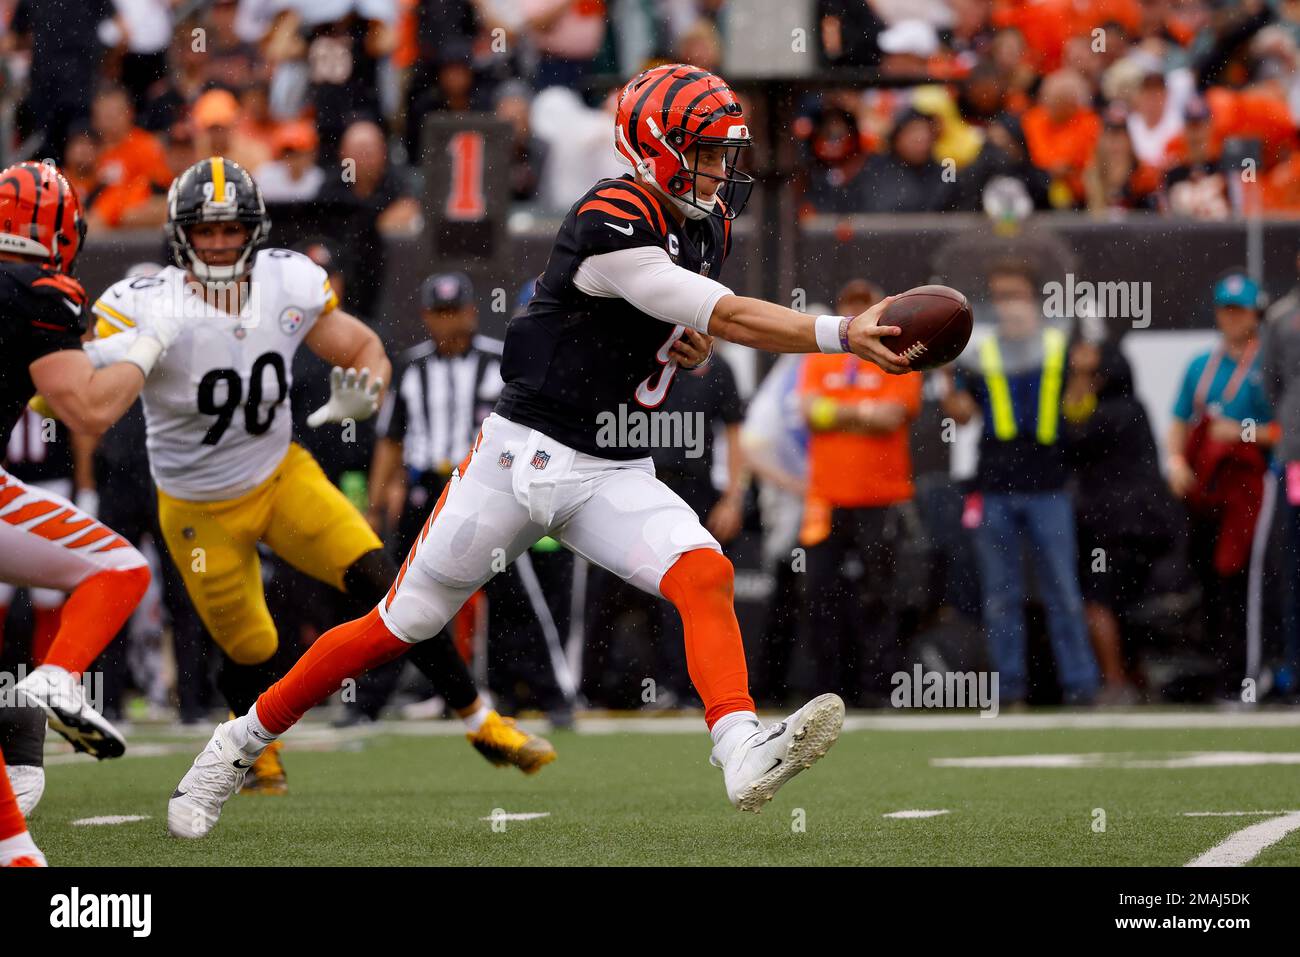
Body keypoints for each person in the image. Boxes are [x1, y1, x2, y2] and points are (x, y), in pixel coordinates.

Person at [167, 62, 915, 839]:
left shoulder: (705, 218)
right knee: (401, 621)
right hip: (521, 457)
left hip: (608, 464)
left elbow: (681, 323)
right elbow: (720, 313)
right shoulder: (611, 216)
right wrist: (841, 335)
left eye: (726, 152)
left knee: (705, 571)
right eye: (705, 151)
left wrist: (678, 348)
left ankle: (739, 748)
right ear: (655, 148)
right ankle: (236, 742)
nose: (720, 170)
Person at [84, 158, 553, 800]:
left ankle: (480, 720)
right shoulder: (143, 303)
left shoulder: (287, 281)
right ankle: (250, 746)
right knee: (252, 644)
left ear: (254, 229)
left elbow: (364, 350)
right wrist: (136, 351)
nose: (219, 242)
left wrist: (366, 392)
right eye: (205, 229)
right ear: (180, 234)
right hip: (196, 506)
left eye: (230, 228)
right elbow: (87, 398)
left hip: (280, 474)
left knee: (387, 580)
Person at [0, 161, 182, 866]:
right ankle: (17, 844)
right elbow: (87, 408)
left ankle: (45, 690)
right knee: (122, 568)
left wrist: (97, 350)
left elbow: (42, 374)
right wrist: (147, 346)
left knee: (118, 564)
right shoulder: (38, 289)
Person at [940, 261, 1100, 706]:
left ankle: (1081, 687)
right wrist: (943, 378)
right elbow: (964, 415)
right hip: (995, 488)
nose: (1009, 307)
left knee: (1064, 592)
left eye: (1016, 297)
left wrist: (1084, 374)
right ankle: (1010, 690)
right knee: (1000, 596)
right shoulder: (982, 353)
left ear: (1033, 303)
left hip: (1049, 487)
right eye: (1000, 298)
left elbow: (1077, 412)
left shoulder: (1057, 347)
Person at [798, 279, 923, 704]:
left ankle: (878, 686)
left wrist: (836, 411)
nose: (856, 311)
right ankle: (825, 687)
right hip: (825, 497)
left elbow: (891, 416)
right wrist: (860, 412)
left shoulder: (897, 353)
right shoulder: (821, 356)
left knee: (880, 594)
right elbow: (808, 413)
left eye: (863, 305)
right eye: (848, 305)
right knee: (819, 592)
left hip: (880, 496)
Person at [1166, 272, 1276, 701]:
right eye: (1226, 310)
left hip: (1250, 490)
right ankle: (1222, 673)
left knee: (1244, 581)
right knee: (1210, 581)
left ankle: (1251, 673)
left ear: (1254, 315)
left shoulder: (1268, 363)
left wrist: (1243, 432)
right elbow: (1180, 421)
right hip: (1207, 491)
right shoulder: (1200, 365)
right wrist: (1175, 461)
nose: (1232, 319)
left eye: (1240, 311)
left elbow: (1283, 431)